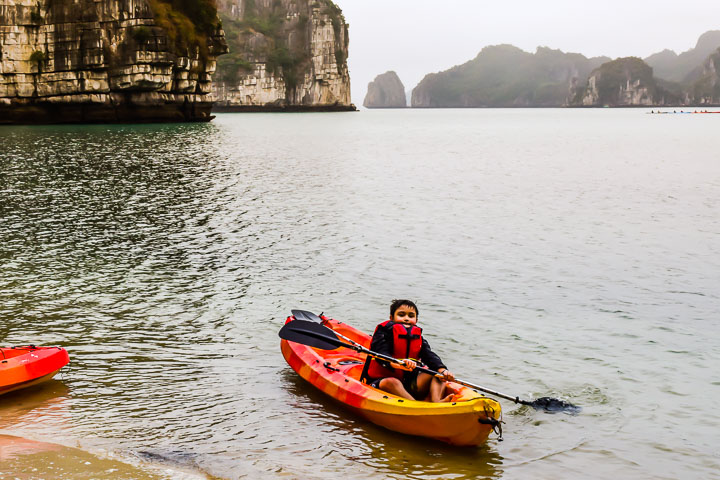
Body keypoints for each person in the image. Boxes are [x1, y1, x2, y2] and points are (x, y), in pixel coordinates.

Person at [360, 299, 456, 402]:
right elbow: (381, 354)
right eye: (401, 315)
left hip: (409, 384)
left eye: (411, 316)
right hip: (383, 382)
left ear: (416, 320)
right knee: (393, 382)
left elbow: (429, 356)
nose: (406, 319)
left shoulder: (417, 337)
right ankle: (417, 407)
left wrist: (443, 370)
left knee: (437, 373)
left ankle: (437, 402)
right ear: (392, 318)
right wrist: (399, 364)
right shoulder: (383, 333)